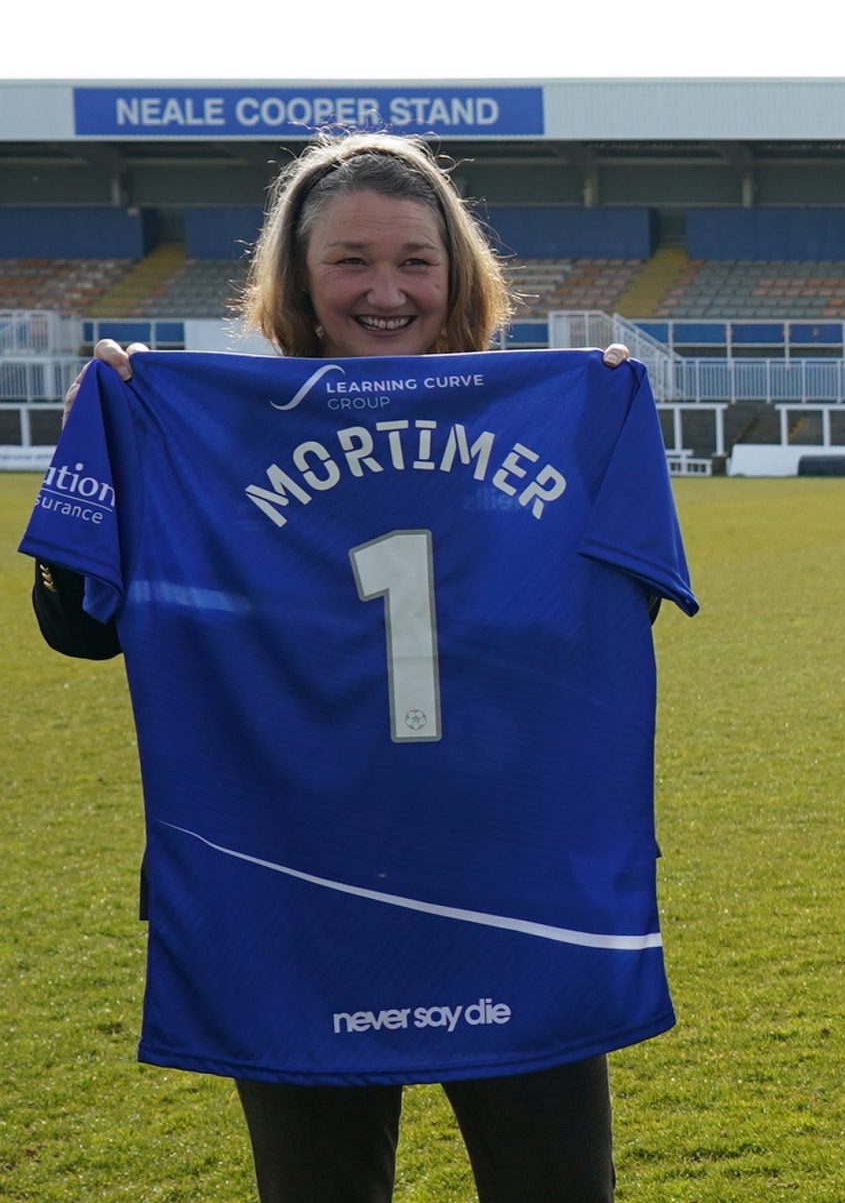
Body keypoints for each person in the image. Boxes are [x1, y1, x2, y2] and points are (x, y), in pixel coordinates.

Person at [28, 131, 661, 1203]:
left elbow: (613, 612)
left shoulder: (561, 415)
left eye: (417, 259)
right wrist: (121, 446)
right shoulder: (204, 432)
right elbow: (82, 629)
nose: (387, 288)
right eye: (351, 260)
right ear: (297, 278)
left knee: (555, 1185)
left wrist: (591, 417)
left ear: (458, 274)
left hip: (504, 881)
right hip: (289, 884)